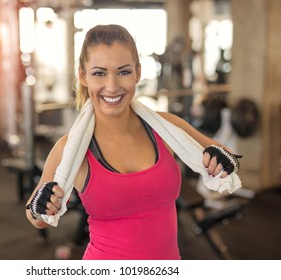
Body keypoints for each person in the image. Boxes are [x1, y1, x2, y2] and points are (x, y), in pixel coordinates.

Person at [25, 24, 241, 260]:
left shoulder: (166, 127)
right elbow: (38, 220)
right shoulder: (69, 149)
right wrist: (40, 205)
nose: (112, 86)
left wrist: (224, 160)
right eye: (99, 73)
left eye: (123, 72)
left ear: (138, 72)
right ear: (83, 76)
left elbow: (225, 156)